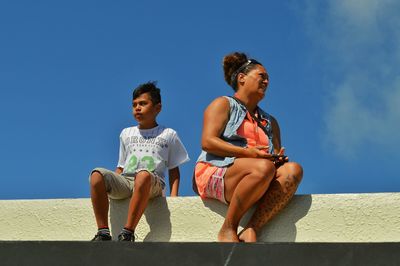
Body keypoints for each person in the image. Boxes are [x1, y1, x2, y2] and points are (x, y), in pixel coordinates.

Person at [193, 52, 303, 242]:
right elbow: (208, 142)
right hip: (217, 170)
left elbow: (274, 155)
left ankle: (252, 227)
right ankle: (229, 228)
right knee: (263, 167)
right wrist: (248, 153)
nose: (266, 81)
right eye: (262, 76)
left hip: (257, 174)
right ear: (242, 78)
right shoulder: (222, 104)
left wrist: (277, 159)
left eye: (268, 78)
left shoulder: (271, 122)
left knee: (293, 170)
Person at [89, 81, 189, 241]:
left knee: (142, 175)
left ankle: (128, 231)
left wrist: (174, 196)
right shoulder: (126, 133)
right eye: (134, 104)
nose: (137, 107)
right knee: (96, 174)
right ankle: (103, 231)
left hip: (152, 183)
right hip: (127, 180)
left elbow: (174, 168)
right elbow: (121, 166)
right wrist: (112, 183)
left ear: (157, 108)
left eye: (143, 103)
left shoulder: (168, 134)